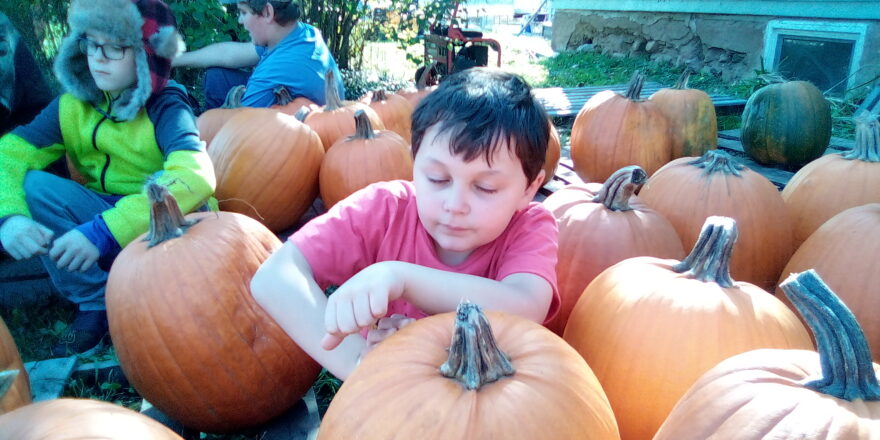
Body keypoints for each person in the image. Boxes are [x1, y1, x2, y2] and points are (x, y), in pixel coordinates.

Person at [251, 68, 558, 380]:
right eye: (438, 178)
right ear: (414, 162)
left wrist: (401, 278)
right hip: (400, 404)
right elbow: (275, 276)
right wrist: (362, 364)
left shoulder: (530, 226)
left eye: (485, 188)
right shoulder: (383, 210)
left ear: (530, 189)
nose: (455, 205)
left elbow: (526, 306)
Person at [0, 0, 216, 357]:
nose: (99, 57)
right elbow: (8, 152)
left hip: (161, 229)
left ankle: (154, 303)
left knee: (175, 297)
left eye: (116, 47)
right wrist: (9, 218)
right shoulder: (72, 106)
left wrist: (102, 231)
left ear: (147, 56)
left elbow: (195, 175)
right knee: (33, 186)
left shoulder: (167, 106)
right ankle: (94, 302)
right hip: (100, 217)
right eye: (90, 42)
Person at [172, 0, 345, 109]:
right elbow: (228, 54)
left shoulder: (277, 68)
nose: (240, 20)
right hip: (290, 114)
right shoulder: (300, 33)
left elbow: (242, 130)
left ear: (267, 13)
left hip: (291, 143)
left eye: (243, 12)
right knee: (218, 77)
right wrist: (173, 60)